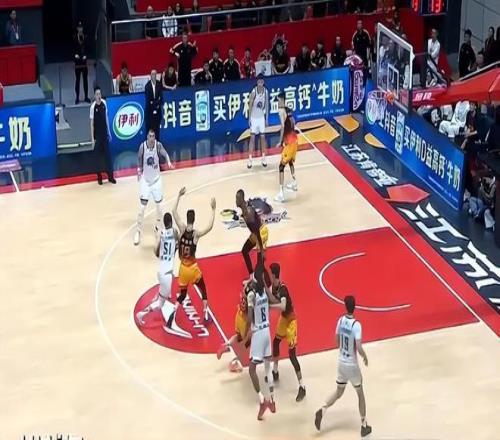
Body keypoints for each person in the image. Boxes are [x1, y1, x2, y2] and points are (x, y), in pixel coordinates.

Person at [315, 295, 372, 438]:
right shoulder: (356, 325)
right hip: (352, 365)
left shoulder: (340, 321)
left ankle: (323, 409)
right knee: (360, 393)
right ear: (355, 307)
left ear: (345, 306)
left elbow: (336, 340)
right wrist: (364, 356)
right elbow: (358, 346)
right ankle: (364, 424)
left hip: (341, 362)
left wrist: (343, 350)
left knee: (339, 392)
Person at [135, 213, 190, 337]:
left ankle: (160, 295)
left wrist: (157, 237)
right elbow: (179, 241)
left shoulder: (161, 234)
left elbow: (156, 252)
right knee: (161, 304)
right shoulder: (174, 232)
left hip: (161, 271)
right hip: (167, 275)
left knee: (164, 295)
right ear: (171, 223)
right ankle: (142, 314)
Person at [171, 187, 216, 323]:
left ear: (187, 219)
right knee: (203, 289)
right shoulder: (196, 234)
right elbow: (209, 227)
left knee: (183, 294)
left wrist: (178, 195)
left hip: (182, 268)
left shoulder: (182, 228)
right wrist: (213, 209)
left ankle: (173, 311)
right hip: (193, 268)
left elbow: (173, 212)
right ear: (194, 219)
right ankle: (205, 315)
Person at [269, 263, 305, 402]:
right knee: (276, 342)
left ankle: (302, 386)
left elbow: (283, 306)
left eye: (270, 273)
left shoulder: (283, 288)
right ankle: (275, 371)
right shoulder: (273, 287)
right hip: (284, 318)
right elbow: (269, 296)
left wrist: (270, 306)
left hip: (291, 320)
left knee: (292, 355)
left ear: (273, 275)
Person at [133, 129, 173, 246]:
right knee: (142, 208)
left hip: (156, 180)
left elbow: (165, 153)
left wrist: (169, 162)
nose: (152, 138)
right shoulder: (143, 146)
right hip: (146, 181)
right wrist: (139, 170)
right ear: (147, 137)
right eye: (150, 136)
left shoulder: (158, 145)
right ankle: (138, 231)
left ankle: (157, 228)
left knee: (160, 207)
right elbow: (139, 158)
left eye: (153, 136)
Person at [247, 268, 276, 421]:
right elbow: (273, 300)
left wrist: (247, 333)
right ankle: (272, 400)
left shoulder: (252, 295)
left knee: (252, 369)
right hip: (267, 331)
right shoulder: (265, 292)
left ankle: (262, 400)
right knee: (267, 367)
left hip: (258, 333)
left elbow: (249, 318)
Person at [216, 279, 253, 372]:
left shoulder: (245, 289)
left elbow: (244, 283)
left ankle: (226, 344)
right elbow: (251, 314)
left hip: (238, 315)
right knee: (247, 343)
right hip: (245, 321)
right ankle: (235, 362)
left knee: (238, 337)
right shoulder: (252, 296)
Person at [235, 189, 270, 286]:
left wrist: (261, 249)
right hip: (255, 232)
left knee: (260, 262)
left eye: (237, 198)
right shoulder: (244, 208)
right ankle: (251, 276)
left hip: (261, 232)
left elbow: (257, 231)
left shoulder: (249, 212)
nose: (236, 201)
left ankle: (267, 283)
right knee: (244, 250)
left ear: (242, 200)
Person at [90, 86, 115, 185]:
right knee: (97, 158)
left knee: (108, 156)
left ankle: (110, 177)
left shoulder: (104, 103)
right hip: (97, 136)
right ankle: (99, 177)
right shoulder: (93, 107)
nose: (99, 96)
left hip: (105, 134)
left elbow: (106, 119)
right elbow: (91, 124)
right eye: (97, 94)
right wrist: (92, 139)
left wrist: (109, 132)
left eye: (100, 94)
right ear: (94, 96)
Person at [275, 100, 297, 202]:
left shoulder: (286, 122)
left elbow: (283, 130)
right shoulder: (292, 119)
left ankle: (281, 194)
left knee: (281, 166)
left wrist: (280, 142)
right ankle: (294, 182)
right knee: (290, 162)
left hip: (290, 145)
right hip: (295, 142)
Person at [247, 74, 269, 168]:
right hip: (254, 118)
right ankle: (250, 159)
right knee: (252, 139)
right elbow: (250, 105)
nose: (260, 83)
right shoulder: (254, 92)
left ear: (263, 82)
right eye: (259, 82)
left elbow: (267, 105)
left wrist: (267, 118)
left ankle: (263, 158)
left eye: (261, 82)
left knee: (263, 138)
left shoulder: (266, 92)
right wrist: (249, 118)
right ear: (257, 82)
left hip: (261, 118)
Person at [73, 21, 90, 104]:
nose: (80, 29)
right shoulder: (74, 38)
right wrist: (75, 55)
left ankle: (86, 96)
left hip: (84, 61)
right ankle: (77, 97)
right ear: (77, 29)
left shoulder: (85, 37)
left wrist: (86, 55)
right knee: (77, 80)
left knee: (85, 80)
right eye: (79, 28)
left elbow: (88, 48)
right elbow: (72, 49)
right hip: (77, 62)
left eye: (81, 28)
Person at [144, 70, 163, 141]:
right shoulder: (147, 86)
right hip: (149, 111)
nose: (153, 76)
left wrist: (157, 105)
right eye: (152, 74)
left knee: (157, 128)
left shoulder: (159, 84)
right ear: (150, 76)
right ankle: (149, 143)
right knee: (149, 128)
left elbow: (161, 97)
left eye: (155, 74)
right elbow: (149, 99)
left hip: (158, 110)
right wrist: (154, 104)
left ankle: (157, 142)